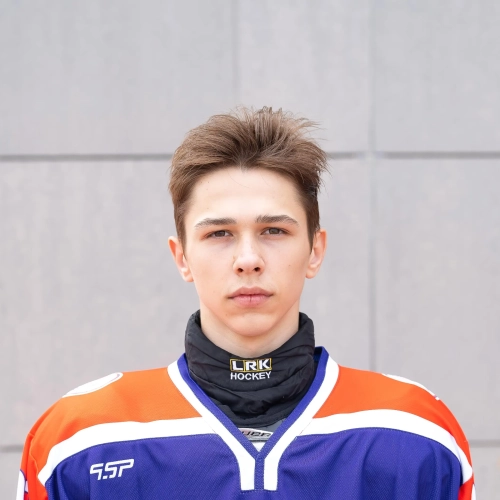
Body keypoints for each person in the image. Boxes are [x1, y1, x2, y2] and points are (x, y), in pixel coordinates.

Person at [17, 107, 475, 499]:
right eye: (220, 233)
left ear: (315, 250)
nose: (248, 259)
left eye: (274, 230)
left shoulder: (414, 429)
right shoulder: (81, 437)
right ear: (182, 257)